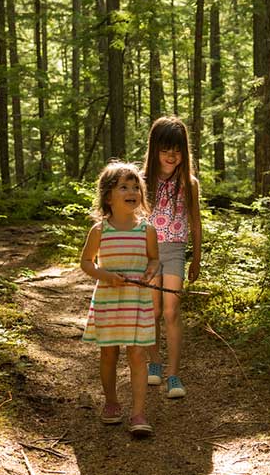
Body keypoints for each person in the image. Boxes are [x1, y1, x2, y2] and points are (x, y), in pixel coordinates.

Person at [81, 161, 160, 436]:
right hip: (109, 300)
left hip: (136, 300)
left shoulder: (146, 230)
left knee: (138, 355)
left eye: (136, 186)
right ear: (108, 196)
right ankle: (112, 402)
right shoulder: (100, 231)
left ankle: (138, 413)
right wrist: (105, 275)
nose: (132, 191)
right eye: (124, 187)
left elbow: (154, 259)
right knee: (109, 353)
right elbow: (87, 263)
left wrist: (151, 270)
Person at [142, 116, 202, 399]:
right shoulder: (142, 182)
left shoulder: (188, 183)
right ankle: (154, 363)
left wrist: (197, 258)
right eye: (165, 149)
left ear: (184, 152)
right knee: (152, 312)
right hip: (148, 254)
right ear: (154, 149)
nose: (171, 155)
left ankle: (174, 374)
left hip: (176, 251)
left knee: (171, 312)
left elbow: (196, 223)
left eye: (177, 150)